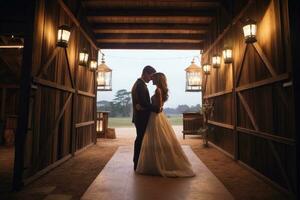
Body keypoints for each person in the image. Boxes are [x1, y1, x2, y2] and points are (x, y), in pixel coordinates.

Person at [136, 72, 195, 177]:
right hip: (155, 117)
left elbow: (158, 109)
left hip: (156, 117)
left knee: (157, 139)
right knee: (156, 140)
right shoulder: (159, 90)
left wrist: (143, 107)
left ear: (158, 79)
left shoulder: (158, 90)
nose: (152, 79)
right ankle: (155, 162)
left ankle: (159, 164)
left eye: (153, 78)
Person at [131, 65, 161, 171]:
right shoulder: (140, 85)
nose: (152, 78)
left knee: (140, 139)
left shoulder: (140, 84)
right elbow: (144, 102)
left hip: (140, 116)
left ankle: (138, 162)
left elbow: (142, 103)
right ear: (145, 73)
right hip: (141, 117)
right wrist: (156, 108)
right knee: (140, 140)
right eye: (151, 76)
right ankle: (137, 163)